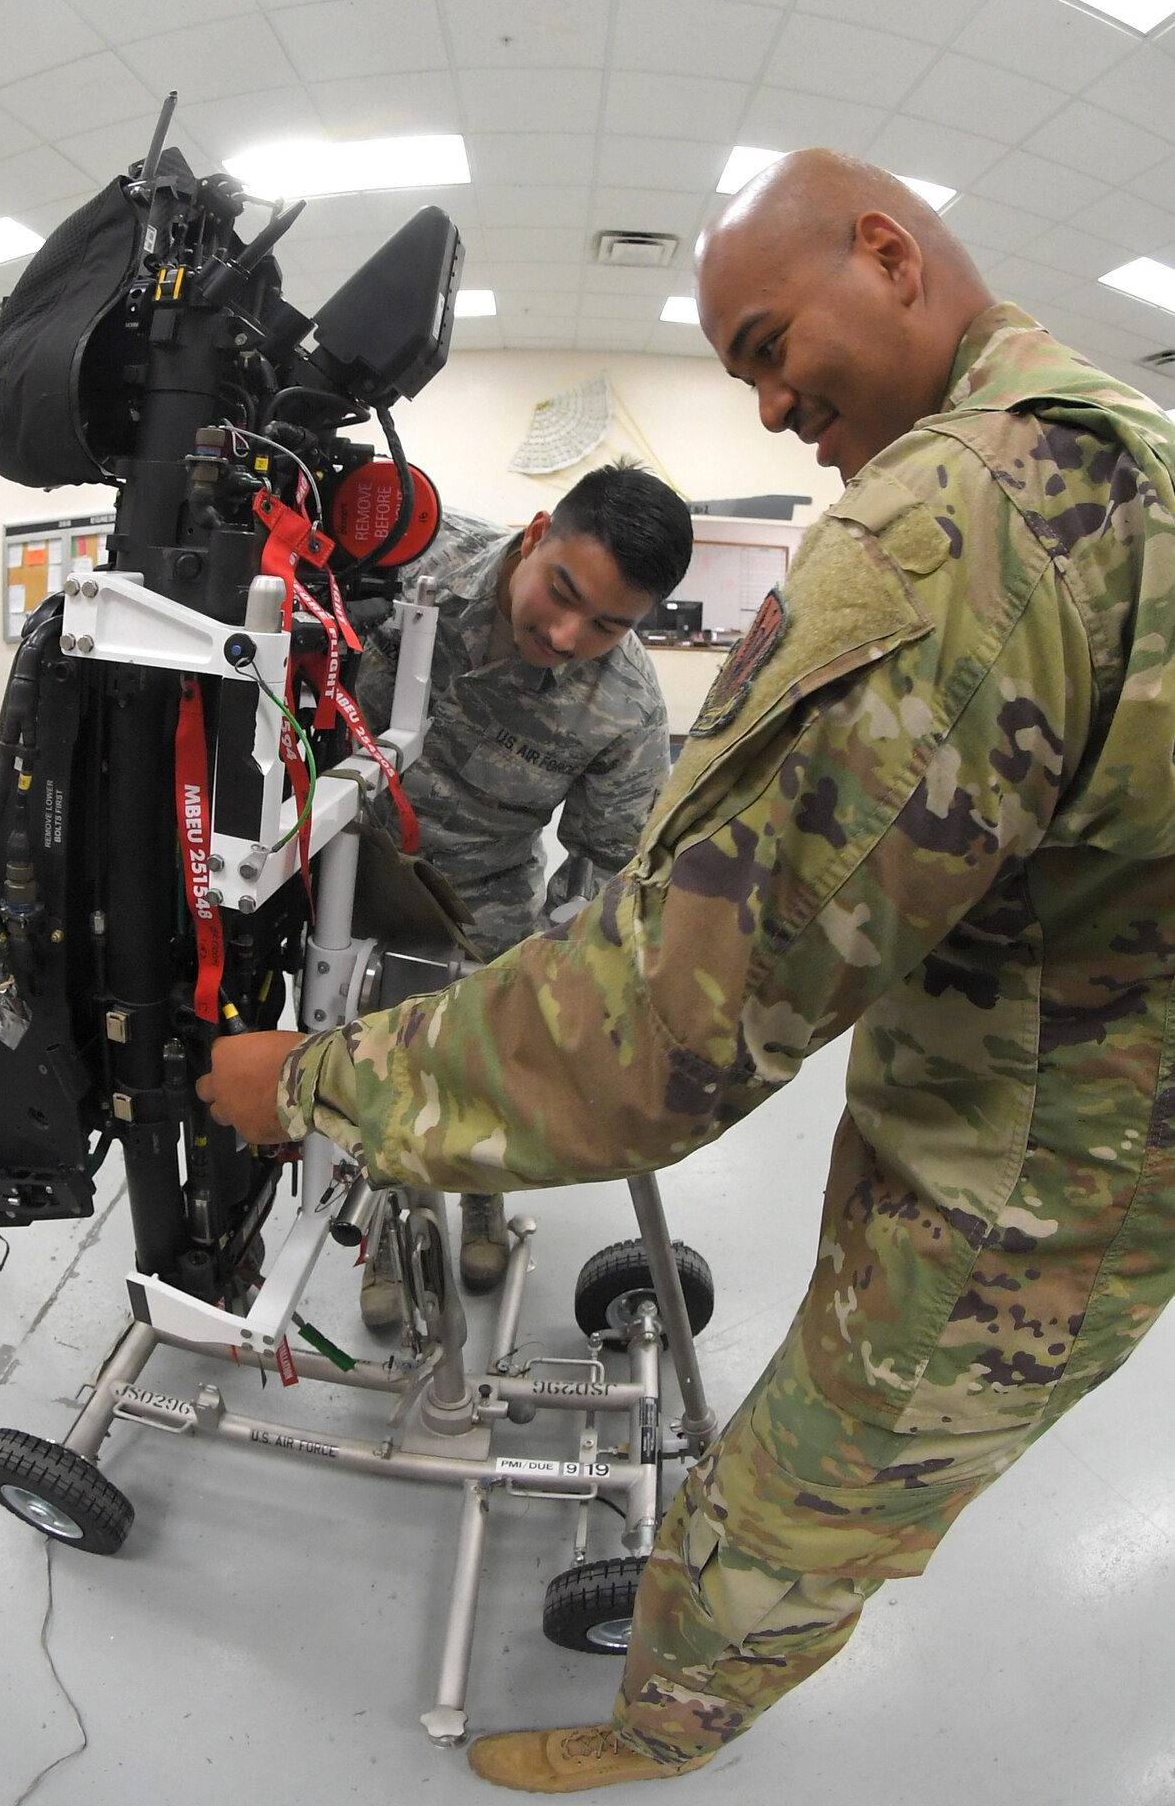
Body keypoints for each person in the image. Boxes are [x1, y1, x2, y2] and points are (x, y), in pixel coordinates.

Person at [198, 148, 1175, 1794]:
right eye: (742, 370)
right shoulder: (1121, 458)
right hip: (1012, 1064)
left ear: (887, 252)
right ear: (536, 542)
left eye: (774, 343)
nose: (777, 403)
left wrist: (304, 1088)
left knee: (804, 1492)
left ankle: (651, 1732)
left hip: (1036, 1166)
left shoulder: (955, 532)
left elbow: (659, 1017)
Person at [352, 461, 693, 1324]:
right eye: (562, 592)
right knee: (363, 1063)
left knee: (481, 1053)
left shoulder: (625, 707)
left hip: (485, 888)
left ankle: (478, 1197)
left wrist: (554, 976)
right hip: (349, 865)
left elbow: (604, 867)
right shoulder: (411, 562)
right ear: (537, 532)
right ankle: (389, 1234)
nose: (569, 633)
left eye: (609, 624)